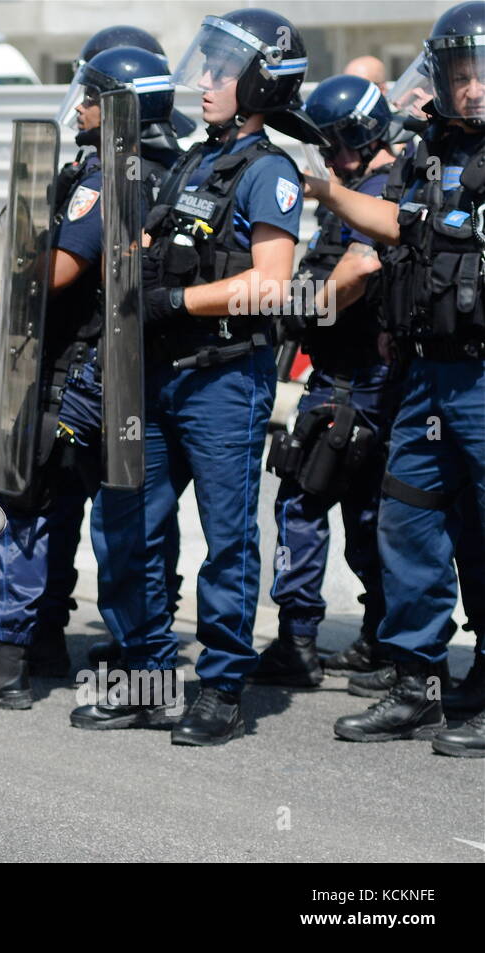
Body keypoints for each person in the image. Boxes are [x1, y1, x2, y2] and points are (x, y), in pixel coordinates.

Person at [86, 8, 320, 745]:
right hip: (159, 373)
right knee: (135, 528)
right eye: (208, 66)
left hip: (223, 379)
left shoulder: (269, 171)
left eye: (223, 70)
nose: (207, 80)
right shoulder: (194, 158)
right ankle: (149, 674)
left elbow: (274, 283)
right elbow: (148, 241)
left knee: (227, 541)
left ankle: (220, 687)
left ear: (259, 82)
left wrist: (178, 297)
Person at [0, 39, 187, 710]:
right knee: (83, 507)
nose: (77, 107)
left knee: (26, 502)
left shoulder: (107, 174)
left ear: (115, 109)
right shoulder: (168, 164)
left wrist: (24, 244)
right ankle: (51, 637)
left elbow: (56, 271)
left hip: (71, 366)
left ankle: (11, 655)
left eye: (90, 97)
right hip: (118, 370)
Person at [305, 1, 485, 757]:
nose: (471, 88)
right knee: (408, 522)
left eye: (482, 72)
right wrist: (326, 189)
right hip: (422, 374)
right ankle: (416, 681)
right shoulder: (425, 152)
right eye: (460, 73)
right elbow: (400, 228)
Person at [251, 75, 397, 689]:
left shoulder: (379, 189)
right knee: (371, 518)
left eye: (336, 146)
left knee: (304, 505)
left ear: (362, 135)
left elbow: (360, 266)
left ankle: (299, 642)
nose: (330, 160)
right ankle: (381, 640)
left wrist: (301, 307)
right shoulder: (370, 188)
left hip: (351, 385)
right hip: (361, 383)